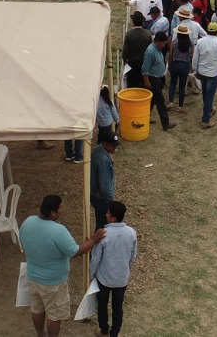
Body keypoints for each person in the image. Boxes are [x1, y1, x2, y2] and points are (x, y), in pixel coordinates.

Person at [20, 195, 105, 337]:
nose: (62, 210)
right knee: (54, 316)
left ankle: (40, 334)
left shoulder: (28, 222)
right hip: (53, 283)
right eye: (60, 208)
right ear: (52, 213)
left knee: (37, 309)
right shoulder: (58, 231)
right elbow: (75, 251)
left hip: (33, 277)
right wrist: (95, 239)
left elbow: (22, 239)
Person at [90, 200, 138, 337]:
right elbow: (132, 255)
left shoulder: (103, 233)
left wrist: (92, 274)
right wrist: (126, 270)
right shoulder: (131, 232)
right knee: (118, 307)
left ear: (114, 217)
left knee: (103, 305)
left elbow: (96, 258)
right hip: (121, 279)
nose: (105, 214)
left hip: (104, 278)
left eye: (108, 213)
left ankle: (104, 330)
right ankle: (115, 333)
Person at [194, 21, 217, 129]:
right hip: (213, 74)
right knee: (209, 95)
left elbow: (195, 58)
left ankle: (208, 110)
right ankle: (205, 120)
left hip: (202, 72)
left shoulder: (200, 42)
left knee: (205, 94)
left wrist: (195, 70)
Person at [143, 32, 176, 132]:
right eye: (163, 43)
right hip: (153, 79)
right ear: (157, 41)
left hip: (159, 78)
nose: (164, 45)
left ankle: (144, 117)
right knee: (160, 101)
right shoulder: (150, 52)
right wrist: (147, 81)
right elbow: (145, 69)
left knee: (152, 100)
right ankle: (165, 122)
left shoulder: (158, 49)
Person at [169, 9, 197, 110]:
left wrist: (169, 63)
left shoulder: (175, 43)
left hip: (175, 64)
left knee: (172, 83)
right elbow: (192, 55)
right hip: (185, 65)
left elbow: (170, 54)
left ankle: (171, 102)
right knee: (182, 86)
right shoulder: (190, 44)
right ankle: (180, 106)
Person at [121, 12, 153, 92]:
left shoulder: (129, 34)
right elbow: (150, 49)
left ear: (133, 22)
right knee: (143, 86)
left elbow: (125, 50)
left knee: (132, 85)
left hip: (132, 63)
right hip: (145, 63)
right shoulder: (147, 34)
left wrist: (125, 60)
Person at [90, 134, 117, 226]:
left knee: (100, 221)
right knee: (103, 226)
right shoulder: (103, 160)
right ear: (105, 143)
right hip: (101, 198)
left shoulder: (97, 149)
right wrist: (111, 203)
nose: (115, 148)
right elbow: (105, 186)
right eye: (113, 145)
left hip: (95, 194)